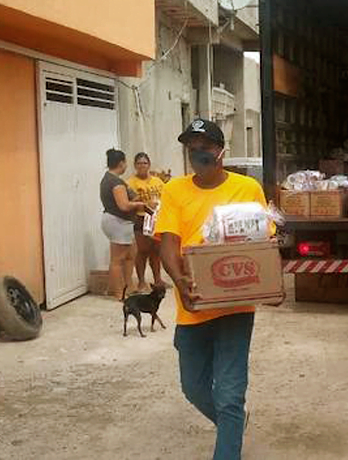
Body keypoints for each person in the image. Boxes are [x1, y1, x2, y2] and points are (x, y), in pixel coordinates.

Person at [155, 119, 267, 460]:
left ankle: (230, 431)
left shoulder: (248, 188)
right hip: (193, 305)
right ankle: (233, 422)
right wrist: (180, 281)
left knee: (230, 394)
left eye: (204, 146)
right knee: (193, 388)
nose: (197, 153)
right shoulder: (174, 190)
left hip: (236, 305)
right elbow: (167, 243)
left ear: (220, 151)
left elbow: (263, 241)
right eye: (192, 147)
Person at [100, 149, 149, 299]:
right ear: (122, 163)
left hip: (123, 223)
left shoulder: (110, 179)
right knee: (118, 259)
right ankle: (118, 292)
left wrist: (136, 200)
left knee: (131, 254)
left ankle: (129, 287)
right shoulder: (115, 182)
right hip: (118, 222)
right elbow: (123, 205)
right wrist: (141, 204)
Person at [127, 152, 165, 292]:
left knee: (156, 251)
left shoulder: (157, 181)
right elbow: (130, 201)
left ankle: (158, 280)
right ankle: (141, 281)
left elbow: (165, 197)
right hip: (141, 218)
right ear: (135, 165)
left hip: (156, 218)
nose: (142, 166)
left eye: (144, 163)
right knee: (143, 251)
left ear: (149, 164)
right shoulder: (130, 183)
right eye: (139, 163)